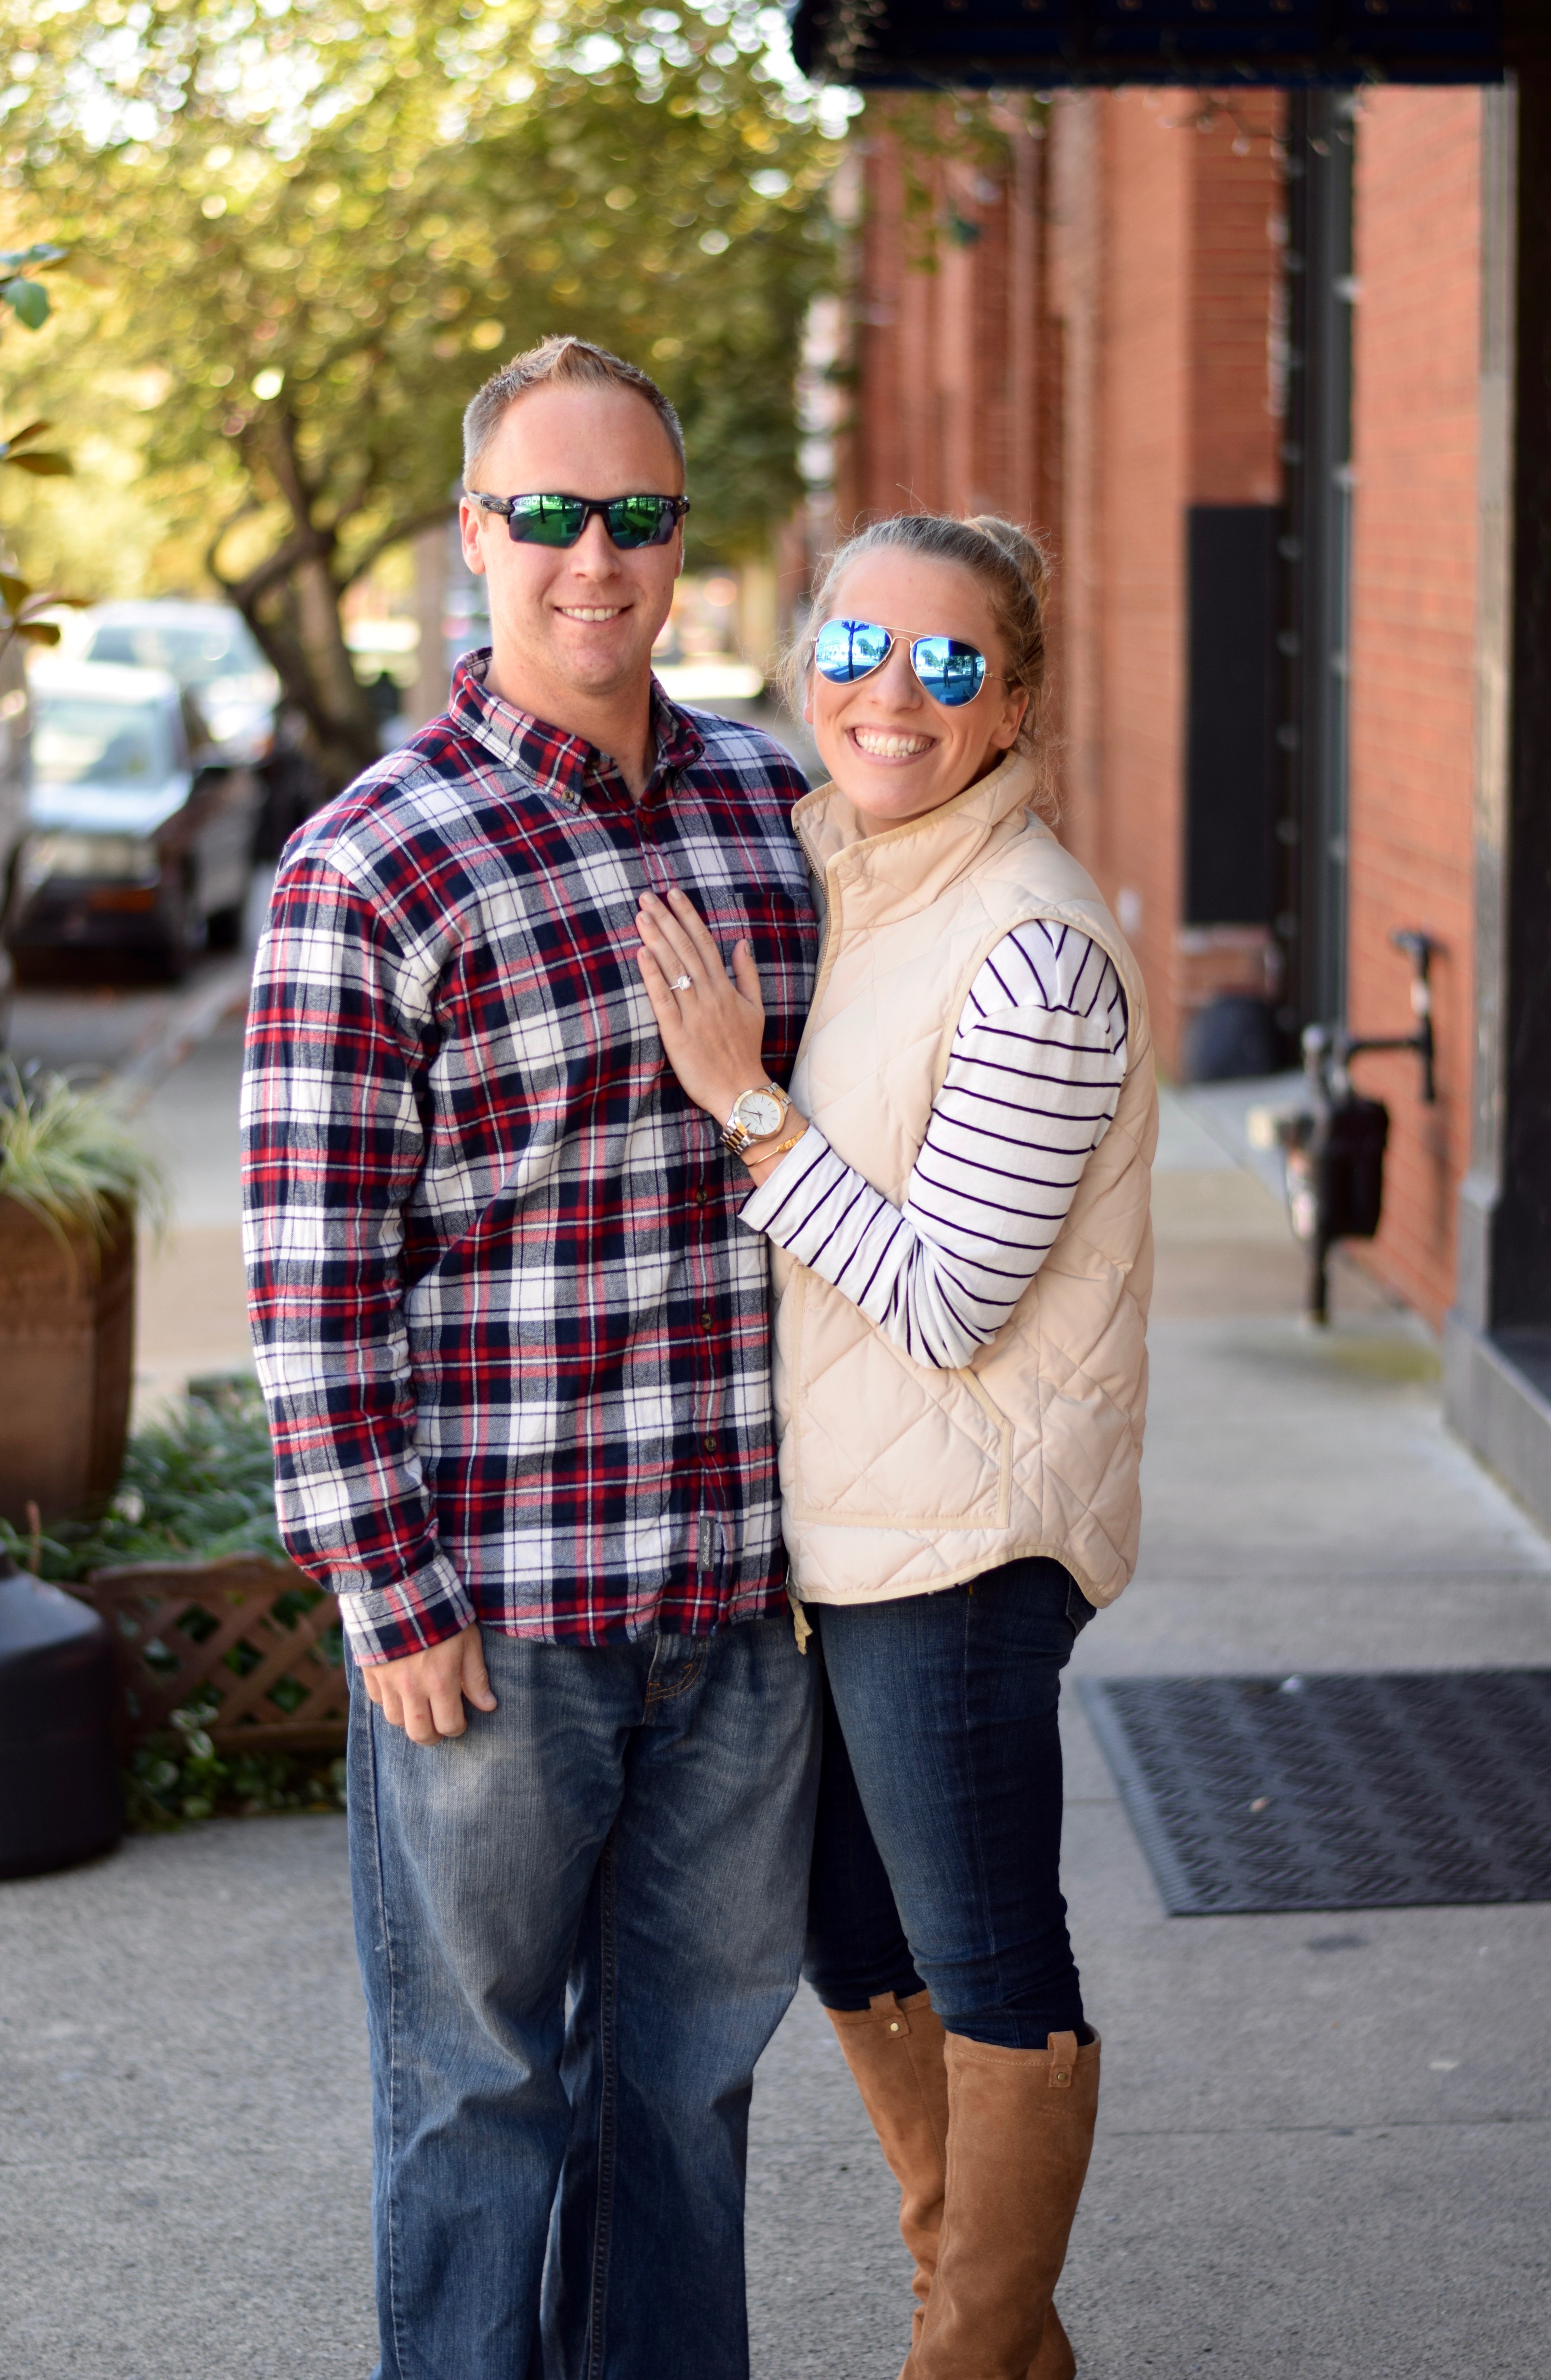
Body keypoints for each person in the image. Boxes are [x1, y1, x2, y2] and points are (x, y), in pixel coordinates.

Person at [241, 337, 821, 2380]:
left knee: (689, 2094)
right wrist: (385, 1593)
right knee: (479, 2102)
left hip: (743, 1605)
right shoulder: (373, 862)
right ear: (476, 534)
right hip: (495, 1622)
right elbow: (312, 1279)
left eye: (637, 516)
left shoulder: (779, 811)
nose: (598, 558)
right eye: (552, 515)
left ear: (680, 538)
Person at [636, 511, 1156, 2380]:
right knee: (853, 1938)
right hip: (852, 1533)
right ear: (806, 666)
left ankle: (974, 2354)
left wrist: (746, 1108)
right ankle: (990, 2326)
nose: (892, 695)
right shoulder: (856, 876)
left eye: (950, 666)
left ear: (1012, 705)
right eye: (858, 650)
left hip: (962, 1542)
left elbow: (946, 1301)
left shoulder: (1033, 947)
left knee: (990, 1960)